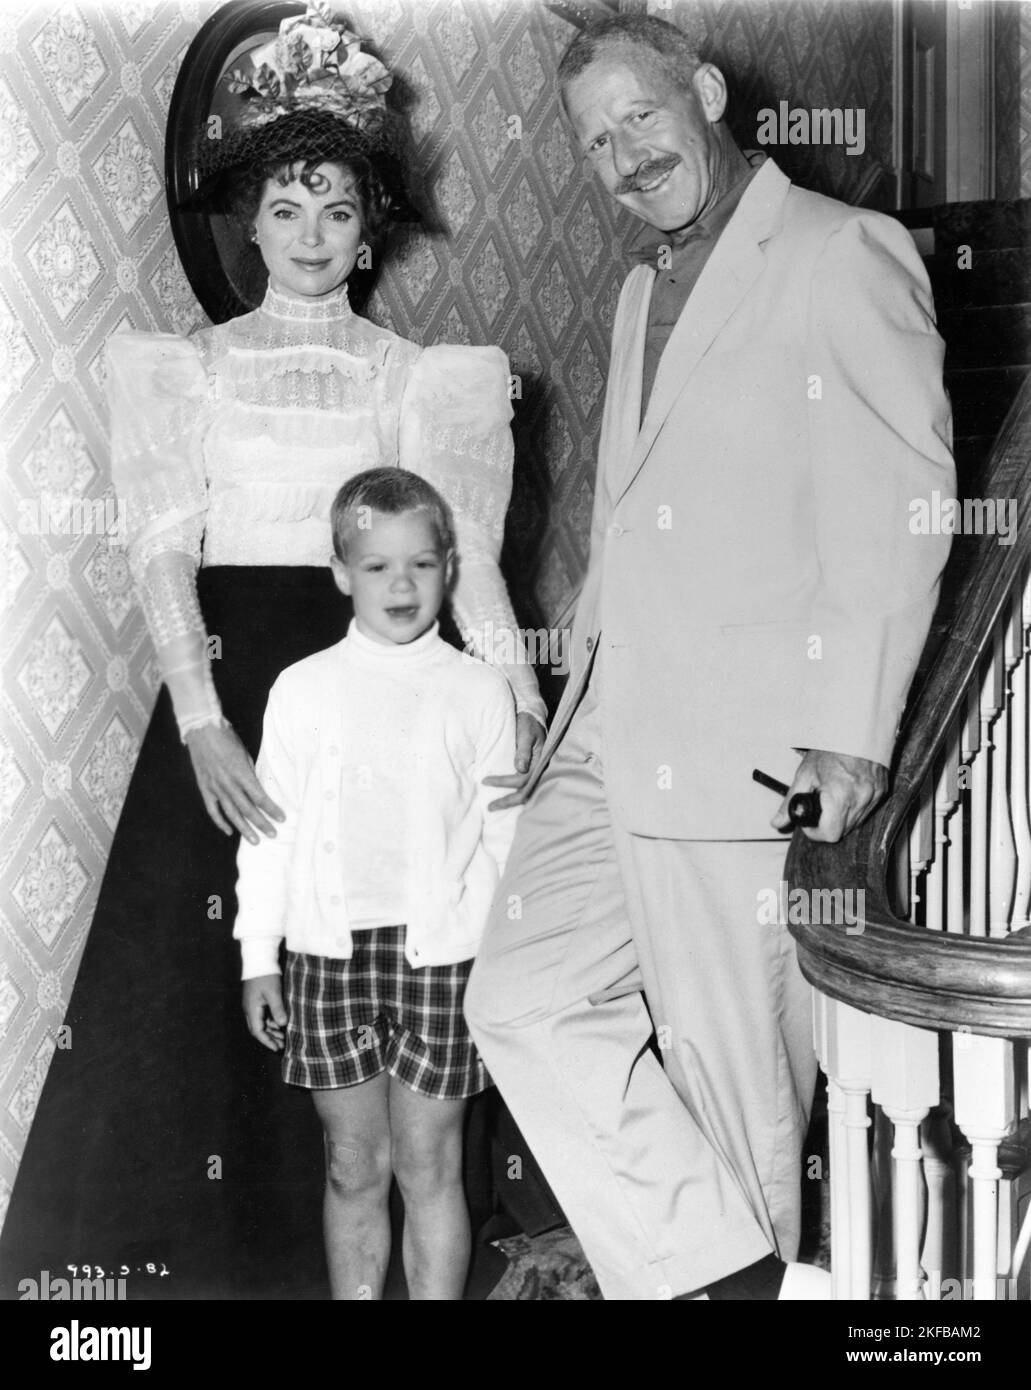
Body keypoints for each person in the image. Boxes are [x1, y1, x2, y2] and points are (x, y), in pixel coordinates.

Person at [0, 8, 543, 1301]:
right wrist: (197, 716)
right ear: (249, 217)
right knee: (210, 1001)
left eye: (337, 210)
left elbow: (464, 556)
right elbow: (158, 553)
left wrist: (517, 705)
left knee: (398, 1024)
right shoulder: (184, 367)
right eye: (287, 205)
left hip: (389, 702)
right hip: (243, 700)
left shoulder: (422, 374)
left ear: (371, 229)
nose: (310, 235)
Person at [467, 14, 955, 1301]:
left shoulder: (841, 252)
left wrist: (846, 738)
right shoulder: (639, 288)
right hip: (606, 731)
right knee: (516, 996)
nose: (624, 158)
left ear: (708, 90)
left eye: (639, 118)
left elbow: (895, 509)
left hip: (747, 754)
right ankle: (733, 1276)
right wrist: (562, 698)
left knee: (735, 1098)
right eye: (593, 144)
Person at [235, 468, 520, 1301]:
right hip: (327, 957)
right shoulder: (303, 688)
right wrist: (259, 955)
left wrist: (502, 952)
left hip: (445, 958)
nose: (402, 585)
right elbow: (268, 835)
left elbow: (503, 843)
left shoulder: (477, 691)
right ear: (339, 571)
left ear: (450, 567)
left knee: (430, 1163)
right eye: (377, 566)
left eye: (422, 565)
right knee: (356, 1163)